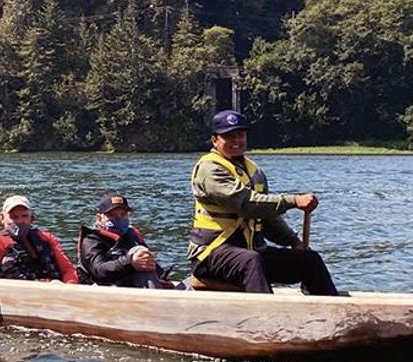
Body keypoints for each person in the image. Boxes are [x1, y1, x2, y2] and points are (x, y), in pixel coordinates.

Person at [188, 110, 339, 295]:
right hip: (210, 256)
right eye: (229, 136)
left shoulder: (254, 171)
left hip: (251, 253)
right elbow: (246, 204)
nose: (236, 140)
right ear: (215, 140)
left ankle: (333, 312)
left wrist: (293, 241)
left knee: (309, 260)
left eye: (240, 135)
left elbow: (266, 217)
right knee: (251, 261)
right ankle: (266, 319)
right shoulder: (209, 169)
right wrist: (293, 201)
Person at [0, 195, 78, 290]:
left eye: (24, 216)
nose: (20, 221)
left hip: (53, 291)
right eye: (14, 217)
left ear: (31, 218)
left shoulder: (46, 238)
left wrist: (68, 288)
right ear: (2, 218)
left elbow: (68, 269)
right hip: (17, 295)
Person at [77, 193, 172, 288]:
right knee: (136, 251)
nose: (119, 219)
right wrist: (130, 262)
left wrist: (162, 278)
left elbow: (149, 263)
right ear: (99, 218)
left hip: (133, 285)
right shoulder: (92, 240)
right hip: (105, 289)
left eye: (123, 214)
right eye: (112, 215)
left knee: (141, 251)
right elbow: (99, 271)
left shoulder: (132, 236)